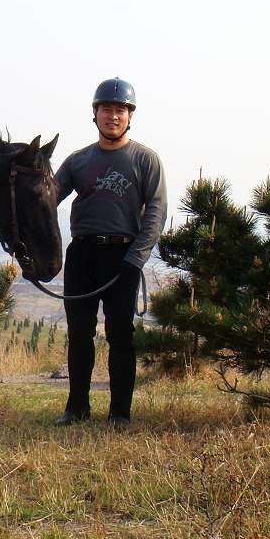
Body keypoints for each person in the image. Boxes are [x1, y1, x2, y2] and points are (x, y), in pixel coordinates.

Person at [53, 78, 168, 428]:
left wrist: (135, 259)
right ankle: (77, 408)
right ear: (95, 113)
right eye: (107, 109)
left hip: (122, 257)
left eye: (120, 110)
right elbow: (46, 201)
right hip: (83, 254)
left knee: (120, 335)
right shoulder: (78, 161)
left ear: (130, 116)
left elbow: (156, 211)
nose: (113, 116)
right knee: (79, 333)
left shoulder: (145, 159)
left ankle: (119, 413)